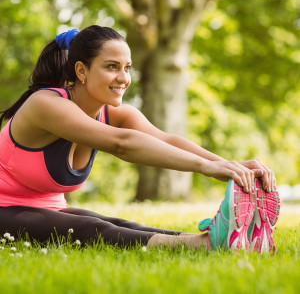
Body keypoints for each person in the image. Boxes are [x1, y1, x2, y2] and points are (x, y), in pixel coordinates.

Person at [0, 25, 280, 253]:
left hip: (46, 208)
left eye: (127, 67)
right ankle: (205, 245)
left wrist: (229, 166)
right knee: (92, 230)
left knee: (113, 222)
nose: (123, 78)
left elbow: (167, 141)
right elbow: (121, 143)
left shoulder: (113, 112)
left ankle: (227, 237)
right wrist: (206, 168)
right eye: (111, 66)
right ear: (81, 71)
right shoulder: (45, 104)